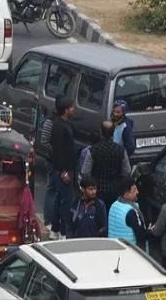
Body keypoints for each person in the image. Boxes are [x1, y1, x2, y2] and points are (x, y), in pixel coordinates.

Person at [45, 97, 77, 237]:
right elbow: (59, 150)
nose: (73, 110)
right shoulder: (59, 127)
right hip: (64, 170)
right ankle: (63, 232)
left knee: (59, 199)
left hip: (65, 169)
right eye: (71, 107)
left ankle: (55, 229)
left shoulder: (65, 124)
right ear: (66, 110)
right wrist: (64, 171)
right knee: (65, 202)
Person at [81, 121, 129, 214]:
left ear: (100, 132)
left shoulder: (92, 150)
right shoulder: (121, 150)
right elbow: (126, 171)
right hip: (116, 190)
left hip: (98, 191)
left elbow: (85, 172)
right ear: (113, 133)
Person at [108, 177, 147, 248]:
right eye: (134, 190)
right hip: (129, 251)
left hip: (113, 248)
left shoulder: (113, 205)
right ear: (126, 193)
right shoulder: (131, 211)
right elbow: (141, 235)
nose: (137, 192)